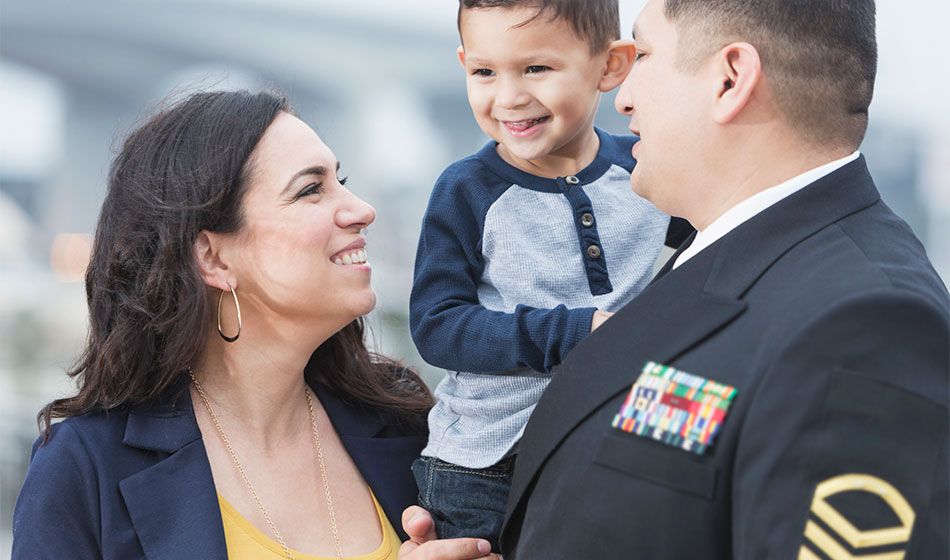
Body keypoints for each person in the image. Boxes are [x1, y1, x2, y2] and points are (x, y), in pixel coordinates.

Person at [404, 0, 950, 557]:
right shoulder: (721, 255)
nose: (623, 97)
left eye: (642, 55)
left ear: (729, 79)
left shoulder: (870, 323)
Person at [10, 89, 486, 560]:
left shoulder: (405, 422)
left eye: (340, 180)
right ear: (213, 258)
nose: (363, 210)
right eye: (310, 189)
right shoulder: (86, 467)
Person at [408, 0, 689, 551]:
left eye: (536, 68)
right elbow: (436, 326)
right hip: (483, 468)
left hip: (612, 440)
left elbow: (722, 247)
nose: (508, 97)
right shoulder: (467, 189)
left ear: (611, 67)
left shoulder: (644, 168)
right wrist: (576, 332)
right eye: (484, 71)